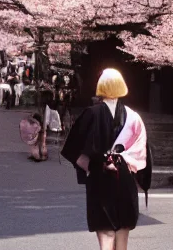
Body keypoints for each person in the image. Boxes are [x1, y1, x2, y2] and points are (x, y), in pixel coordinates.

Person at [61, 69, 152, 250]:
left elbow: (72, 148)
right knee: (122, 233)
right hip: (125, 176)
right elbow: (142, 153)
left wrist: (90, 167)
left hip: (100, 176)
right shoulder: (134, 117)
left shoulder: (90, 113)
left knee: (106, 233)